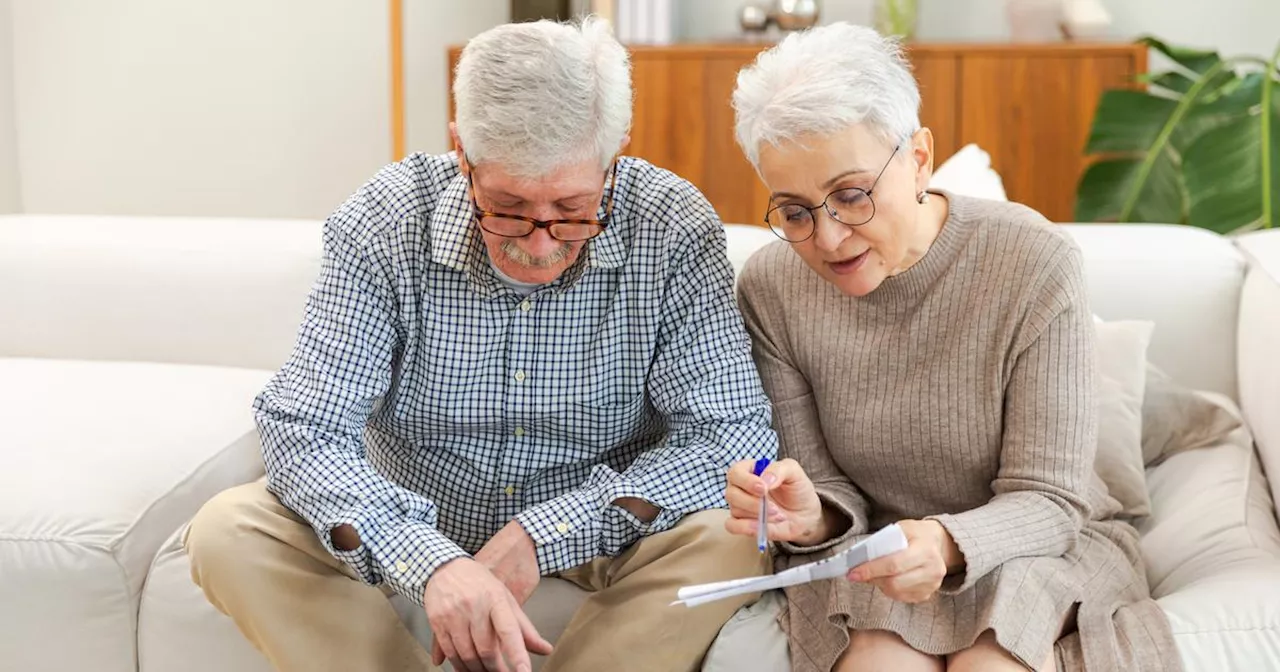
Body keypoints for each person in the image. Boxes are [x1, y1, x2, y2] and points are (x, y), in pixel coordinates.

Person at [184, 17, 777, 672]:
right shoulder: (384, 219)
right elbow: (304, 428)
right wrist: (430, 561)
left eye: (574, 210)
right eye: (509, 208)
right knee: (226, 532)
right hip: (409, 515)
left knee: (735, 535)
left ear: (614, 160)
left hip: (598, 528)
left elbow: (734, 439)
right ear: (460, 151)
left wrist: (544, 535)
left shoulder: (670, 222)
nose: (541, 243)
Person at [719, 22, 1182, 672]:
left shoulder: (1032, 261)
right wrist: (810, 514)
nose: (826, 239)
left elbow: (1050, 498)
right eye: (795, 212)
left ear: (918, 159)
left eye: (850, 196)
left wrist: (944, 541)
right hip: (880, 556)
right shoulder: (771, 287)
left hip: (1036, 544)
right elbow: (826, 487)